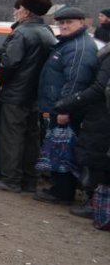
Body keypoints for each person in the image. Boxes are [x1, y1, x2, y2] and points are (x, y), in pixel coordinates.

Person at [0, 0, 57, 193]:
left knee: (12, 135)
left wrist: (1, 84)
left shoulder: (22, 32)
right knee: (31, 137)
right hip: (34, 93)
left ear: (26, 11)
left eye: (18, 8)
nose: (15, 12)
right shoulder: (47, 32)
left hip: (16, 93)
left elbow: (10, 63)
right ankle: (29, 179)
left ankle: (11, 179)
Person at [33, 6, 98, 204]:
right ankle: (59, 188)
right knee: (58, 147)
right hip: (59, 105)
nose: (64, 26)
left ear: (82, 23)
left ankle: (62, 191)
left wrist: (64, 108)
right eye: (61, 23)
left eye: (69, 22)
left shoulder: (79, 47)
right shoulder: (69, 44)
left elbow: (76, 80)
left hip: (67, 108)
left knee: (64, 149)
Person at [52, 41, 110, 218]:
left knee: (95, 156)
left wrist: (69, 103)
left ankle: (95, 203)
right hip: (99, 113)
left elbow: (99, 88)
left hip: (102, 115)